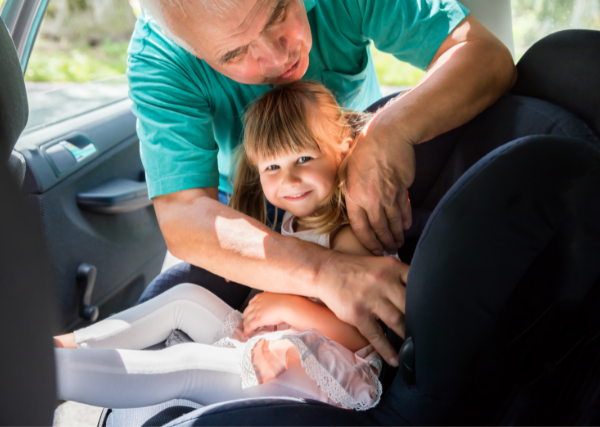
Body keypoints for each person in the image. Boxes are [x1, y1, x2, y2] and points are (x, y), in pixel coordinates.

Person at [129, 0, 516, 365]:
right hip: (241, 206)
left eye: (279, 11)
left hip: (350, 169)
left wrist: (390, 130)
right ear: (192, 49)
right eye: (234, 54)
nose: (278, 57)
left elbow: (484, 54)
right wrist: (324, 271)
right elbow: (183, 214)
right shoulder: (160, 56)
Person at [54, 81, 409, 410]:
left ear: (342, 150)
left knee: (186, 365)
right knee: (185, 298)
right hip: (276, 343)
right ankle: (63, 347)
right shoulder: (290, 223)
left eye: (304, 158)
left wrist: (286, 305)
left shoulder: (347, 235)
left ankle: (46, 375)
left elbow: (359, 335)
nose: (289, 179)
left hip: (321, 374)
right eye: (272, 166)